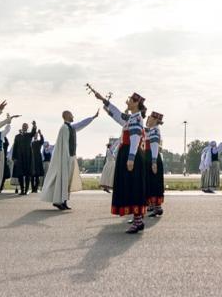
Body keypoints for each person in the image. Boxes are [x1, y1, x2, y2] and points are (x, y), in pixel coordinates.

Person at [90, 85, 150, 234]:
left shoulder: (136, 119)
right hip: (131, 154)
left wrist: (130, 158)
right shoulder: (132, 118)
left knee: (133, 187)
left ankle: (137, 221)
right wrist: (104, 100)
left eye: (129, 100)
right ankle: (138, 220)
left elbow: (135, 138)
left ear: (136, 103)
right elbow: (117, 115)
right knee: (132, 186)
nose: (127, 102)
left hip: (132, 155)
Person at [41, 108, 97, 209]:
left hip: (70, 157)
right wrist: (66, 159)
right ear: (66, 116)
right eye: (71, 115)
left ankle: (64, 201)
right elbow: (64, 145)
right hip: (65, 159)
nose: (73, 116)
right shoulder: (64, 128)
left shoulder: (70, 127)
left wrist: (92, 118)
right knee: (63, 180)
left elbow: (81, 124)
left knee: (67, 181)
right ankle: (59, 201)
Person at [144, 111, 167, 218]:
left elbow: (154, 146)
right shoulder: (152, 130)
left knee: (154, 181)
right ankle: (154, 206)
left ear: (154, 120)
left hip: (152, 156)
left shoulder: (154, 130)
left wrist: (153, 161)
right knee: (153, 181)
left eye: (150, 118)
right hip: (151, 156)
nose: (148, 119)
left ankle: (157, 207)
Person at [11, 123, 36, 196]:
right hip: (19, 157)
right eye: (23, 126)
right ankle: (22, 189)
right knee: (20, 174)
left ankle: (26, 190)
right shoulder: (17, 136)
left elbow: (33, 132)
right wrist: (14, 157)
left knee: (28, 174)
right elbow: (15, 147)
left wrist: (34, 126)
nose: (24, 127)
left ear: (27, 127)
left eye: (26, 126)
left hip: (28, 157)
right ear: (22, 127)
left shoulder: (29, 135)